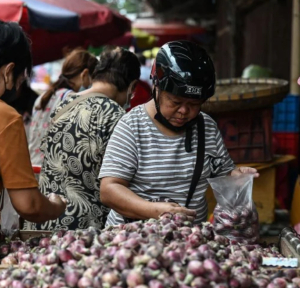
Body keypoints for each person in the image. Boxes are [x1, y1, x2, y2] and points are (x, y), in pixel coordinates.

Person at [99, 40, 259, 226]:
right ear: (156, 88)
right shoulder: (131, 127)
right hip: (133, 240)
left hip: (189, 242)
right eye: (175, 102)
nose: (184, 111)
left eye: (194, 104)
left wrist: (236, 177)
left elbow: (222, 173)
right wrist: (157, 210)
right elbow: (109, 190)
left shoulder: (206, 127)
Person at [29, 46, 141, 230]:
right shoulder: (117, 116)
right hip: (85, 229)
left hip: (45, 218)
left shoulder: (62, 105)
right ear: (132, 86)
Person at [0, 20, 66, 224]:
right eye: (21, 78)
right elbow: (29, 205)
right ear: (8, 71)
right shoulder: (6, 118)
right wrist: (56, 206)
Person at [28, 49, 98, 165]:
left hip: (32, 168)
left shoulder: (42, 98)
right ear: (85, 74)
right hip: (51, 175)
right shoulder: (73, 99)